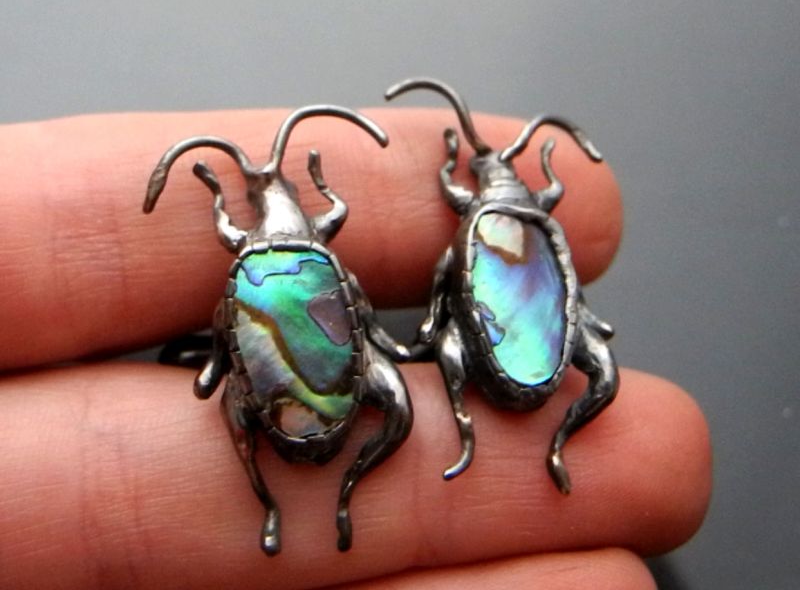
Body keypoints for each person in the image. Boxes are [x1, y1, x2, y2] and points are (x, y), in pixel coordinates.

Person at [0, 108, 711, 589]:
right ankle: (292, 505)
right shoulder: (276, 260)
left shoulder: (263, 259)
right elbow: (304, 293)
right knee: (390, 409)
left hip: (310, 393)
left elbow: (365, 289)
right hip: (304, 391)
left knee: (396, 411)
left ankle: (336, 496)